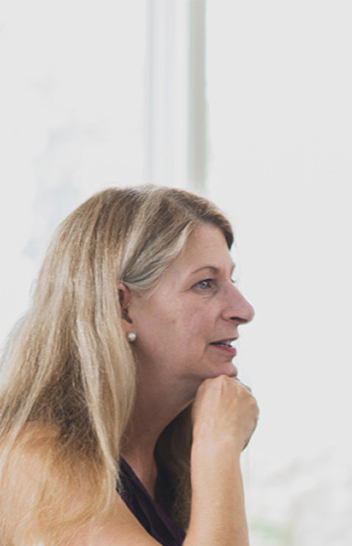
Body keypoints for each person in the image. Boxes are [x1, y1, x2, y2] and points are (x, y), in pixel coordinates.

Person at [0, 186, 257, 546]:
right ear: (122, 307)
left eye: (231, 280)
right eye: (204, 284)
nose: (243, 310)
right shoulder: (33, 460)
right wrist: (219, 445)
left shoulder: (167, 463)